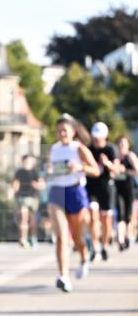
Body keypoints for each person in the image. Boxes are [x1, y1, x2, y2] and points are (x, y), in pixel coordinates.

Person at [46, 114, 99, 292]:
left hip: (75, 191)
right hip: (57, 192)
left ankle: (84, 258)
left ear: (73, 131)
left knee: (77, 238)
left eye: (65, 130)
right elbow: (49, 169)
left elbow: (96, 170)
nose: (62, 133)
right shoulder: (53, 149)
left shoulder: (79, 148)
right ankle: (63, 276)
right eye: (59, 130)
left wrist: (79, 167)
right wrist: (49, 171)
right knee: (61, 237)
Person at [87, 122, 120, 261]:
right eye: (95, 137)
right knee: (93, 217)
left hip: (106, 187)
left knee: (106, 219)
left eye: (99, 137)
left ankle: (104, 245)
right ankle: (95, 248)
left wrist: (107, 163)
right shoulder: (88, 149)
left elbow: (117, 170)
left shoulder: (111, 149)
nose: (97, 140)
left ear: (105, 136)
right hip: (91, 187)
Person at [12, 154, 44, 248]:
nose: (28, 163)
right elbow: (15, 183)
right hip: (22, 198)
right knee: (23, 219)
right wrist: (12, 191)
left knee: (33, 220)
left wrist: (37, 185)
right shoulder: (19, 172)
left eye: (30, 161)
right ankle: (23, 238)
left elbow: (40, 185)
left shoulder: (35, 172)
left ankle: (33, 238)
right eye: (26, 161)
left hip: (32, 198)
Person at [114, 135, 138, 251]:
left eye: (124, 144)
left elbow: (136, 171)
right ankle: (120, 240)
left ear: (128, 145)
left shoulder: (131, 156)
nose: (121, 146)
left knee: (129, 215)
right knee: (120, 214)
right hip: (118, 189)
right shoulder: (115, 158)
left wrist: (125, 170)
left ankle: (128, 236)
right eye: (120, 144)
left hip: (130, 189)